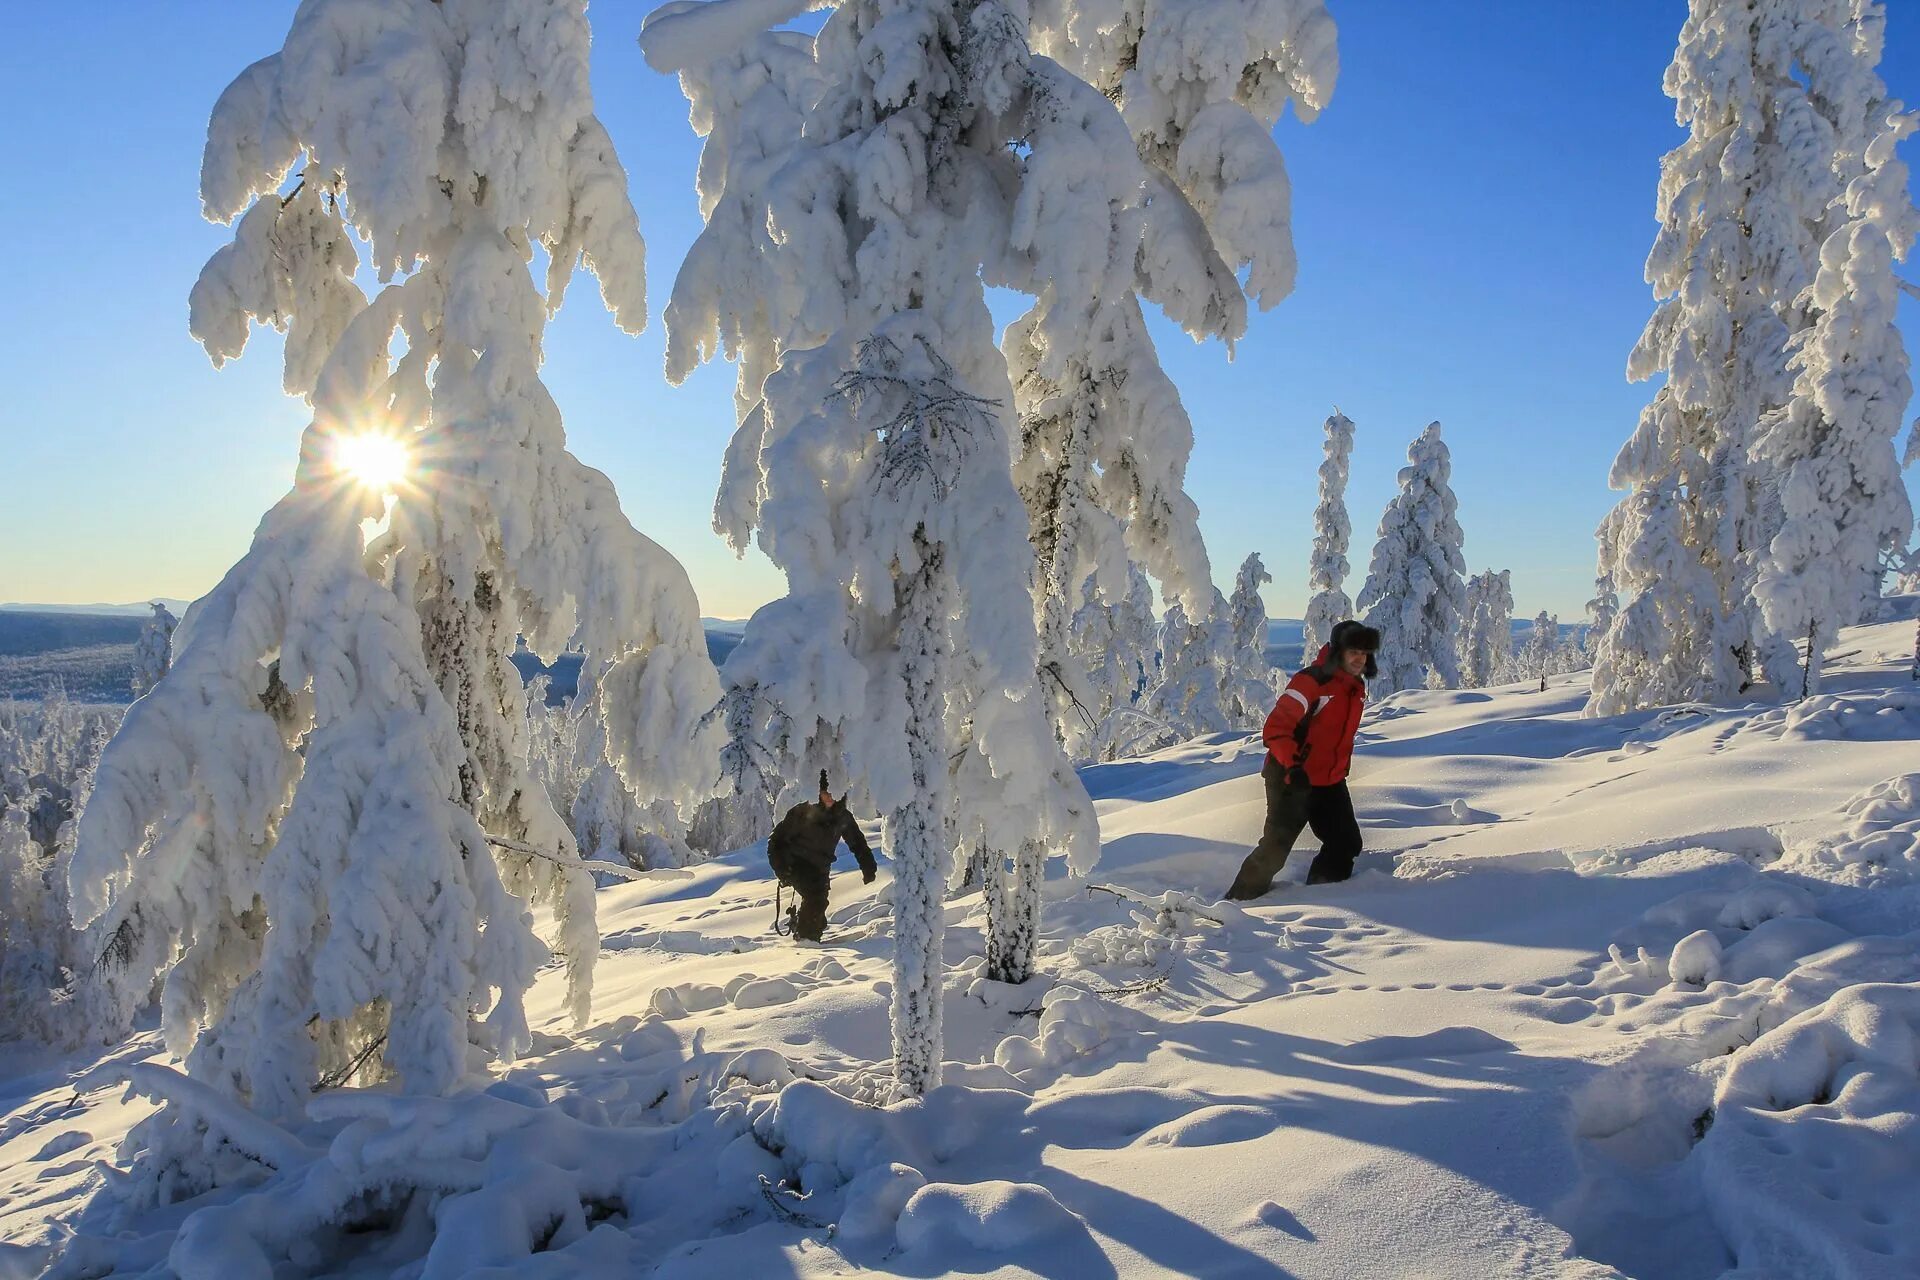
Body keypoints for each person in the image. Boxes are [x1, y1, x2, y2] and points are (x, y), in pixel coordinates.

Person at [1223, 619, 1378, 900]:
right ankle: (1236, 904)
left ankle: (1321, 898)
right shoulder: (1311, 682)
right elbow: (1276, 729)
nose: (1360, 658)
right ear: (1337, 651)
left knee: (1345, 842)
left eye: (1365, 653)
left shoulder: (1353, 687)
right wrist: (1293, 767)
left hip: (1328, 781)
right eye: (1353, 650)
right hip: (1290, 778)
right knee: (1275, 849)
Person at [767, 772, 877, 941]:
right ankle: (805, 943)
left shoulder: (843, 817)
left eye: (834, 792)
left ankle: (806, 935)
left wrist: (868, 867)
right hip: (796, 863)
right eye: (826, 792)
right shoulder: (802, 812)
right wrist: (782, 869)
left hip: (820, 868)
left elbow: (857, 843)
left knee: (818, 912)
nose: (830, 797)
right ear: (819, 792)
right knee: (815, 900)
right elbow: (776, 841)